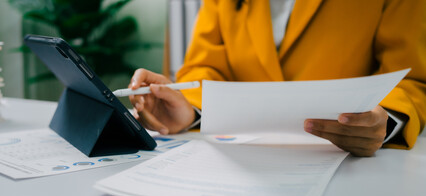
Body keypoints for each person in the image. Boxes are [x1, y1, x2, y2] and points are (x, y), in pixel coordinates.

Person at [129, 0, 426, 157]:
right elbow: (203, 70)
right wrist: (191, 111)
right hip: (241, 162)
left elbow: (413, 78)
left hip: (354, 168)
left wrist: (385, 122)